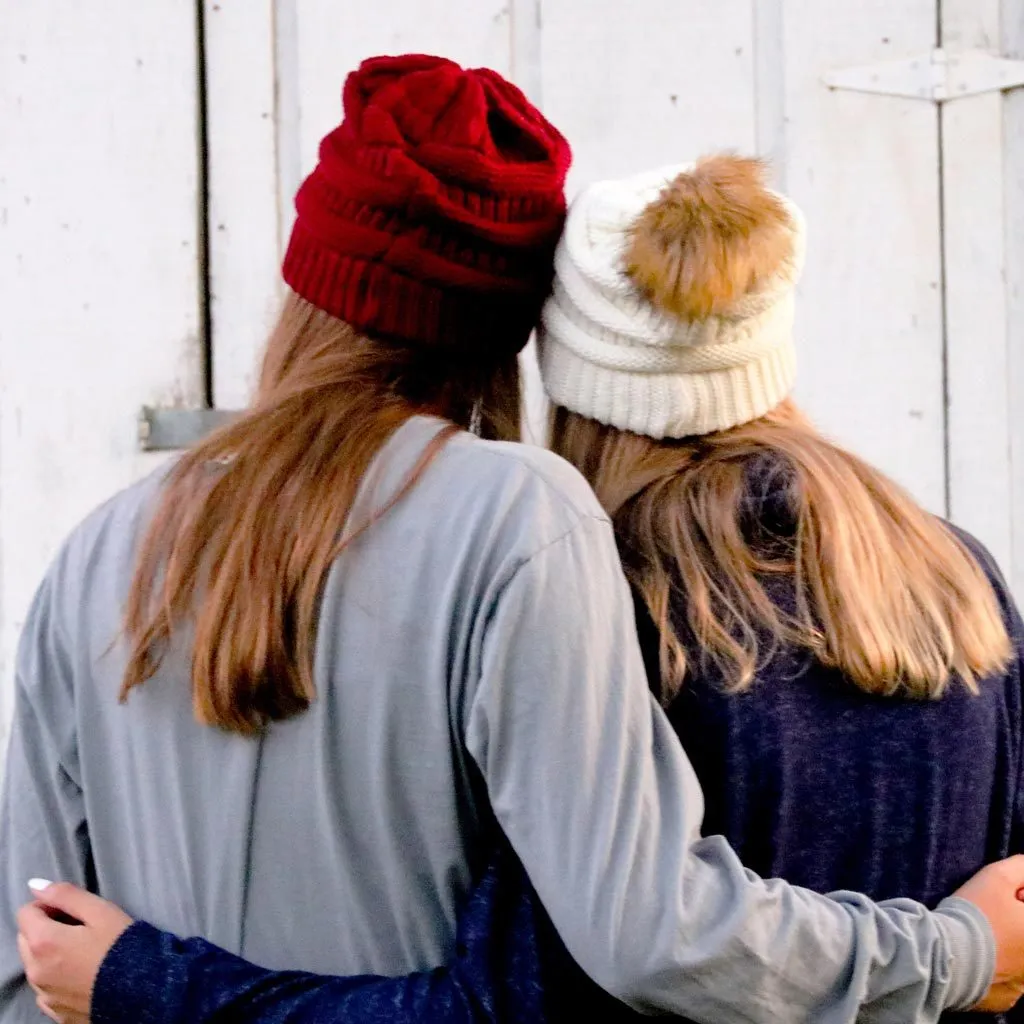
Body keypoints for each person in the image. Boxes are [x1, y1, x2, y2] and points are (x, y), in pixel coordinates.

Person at [7, 65, 1024, 1024]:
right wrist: (955, 955)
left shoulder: (95, 555)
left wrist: (144, 982)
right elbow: (603, 956)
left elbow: (31, 962)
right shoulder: (954, 577)